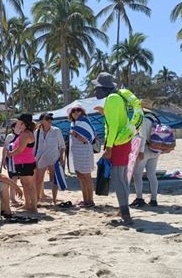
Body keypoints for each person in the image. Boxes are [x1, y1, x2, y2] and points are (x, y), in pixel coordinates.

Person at [93, 72, 143, 225]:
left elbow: (113, 126)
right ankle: (123, 210)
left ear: (103, 88)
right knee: (121, 178)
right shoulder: (116, 98)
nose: (95, 90)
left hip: (117, 143)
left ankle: (126, 215)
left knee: (117, 178)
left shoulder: (112, 99)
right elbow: (116, 121)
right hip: (123, 141)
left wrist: (108, 148)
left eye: (97, 87)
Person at [6, 114, 38, 213]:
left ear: (23, 122)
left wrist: (10, 154)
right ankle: (27, 204)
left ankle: (33, 207)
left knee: (30, 185)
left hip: (24, 163)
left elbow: (20, 150)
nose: (17, 122)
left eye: (19, 121)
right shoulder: (28, 132)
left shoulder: (25, 134)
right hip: (26, 162)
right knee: (25, 184)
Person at [34, 113, 66, 204]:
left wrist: (61, 157)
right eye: (47, 118)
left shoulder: (56, 131)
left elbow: (62, 146)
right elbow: (34, 147)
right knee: (38, 180)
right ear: (41, 121)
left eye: (51, 118)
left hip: (53, 158)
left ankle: (54, 200)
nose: (50, 120)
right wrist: (34, 159)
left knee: (53, 180)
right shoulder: (37, 132)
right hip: (40, 159)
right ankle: (37, 200)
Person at [131, 111, 161, 208]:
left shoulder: (144, 120)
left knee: (137, 174)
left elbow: (142, 136)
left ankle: (139, 198)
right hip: (156, 150)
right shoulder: (156, 120)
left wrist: (141, 151)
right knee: (152, 175)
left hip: (145, 149)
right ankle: (154, 199)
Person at [68, 105, 95, 207]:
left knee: (87, 177)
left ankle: (90, 200)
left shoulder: (84, 122)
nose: (75, 112)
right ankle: (85, 199)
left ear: (82, 112)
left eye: (78, 110)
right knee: (80, 176)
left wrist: (74, 134)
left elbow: (86, 140)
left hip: (84, 152)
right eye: (73, 110)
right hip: (76, 153)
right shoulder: (73, 123)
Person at [1, 122, 21, 205]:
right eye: (17, 126)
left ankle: (15, 197)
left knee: (21, 179)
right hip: (11, 160)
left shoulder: (23, 135)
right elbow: (5, 148)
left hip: (21, 160)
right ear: (13, 128)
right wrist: (3, 159)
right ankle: (12, 198)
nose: (19, 127)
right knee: (14, 178)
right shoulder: (10, 136)